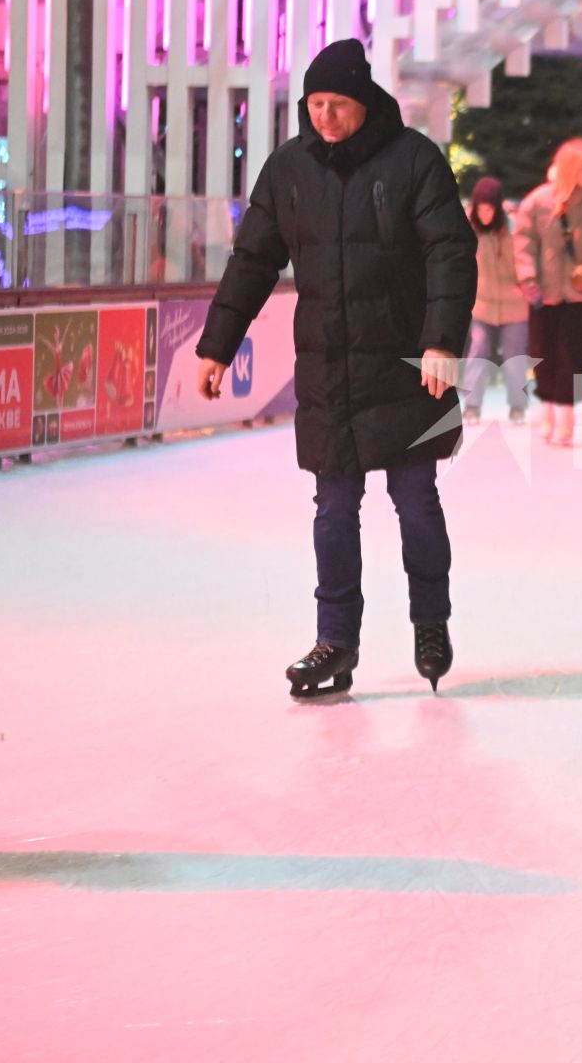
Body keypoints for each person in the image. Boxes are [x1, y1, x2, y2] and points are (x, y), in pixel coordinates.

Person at [194, 38, 477, 698]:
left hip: (409, 366)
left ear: (364, 102)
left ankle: (431, 622)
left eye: (338, 104)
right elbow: (253, 262)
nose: (325, 116)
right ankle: (335, 642)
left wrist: (441, 340)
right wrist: (217, 345)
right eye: (315, 104)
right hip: (330, 368)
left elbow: (449, 253)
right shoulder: (289, 170)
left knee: (415, 501)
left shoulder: (414, 161)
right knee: (333, 506)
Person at [514, 137, 582, 447]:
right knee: (543, 352)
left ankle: (567, 416)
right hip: (543, 293)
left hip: (580, 292)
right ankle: (547, 409)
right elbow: (523, 243)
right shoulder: (538, 201)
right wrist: (528, 278)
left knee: (573, 356)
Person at [462, 177, 529, 426]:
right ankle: (472, 405)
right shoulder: (468, 228)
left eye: (489, 209)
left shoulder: (513, 226)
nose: (485, 214)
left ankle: (518, 406)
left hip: (515, 305)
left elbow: (525, 257)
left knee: (514, 356)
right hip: (482, 304)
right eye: (480, 209)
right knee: (478, 351)